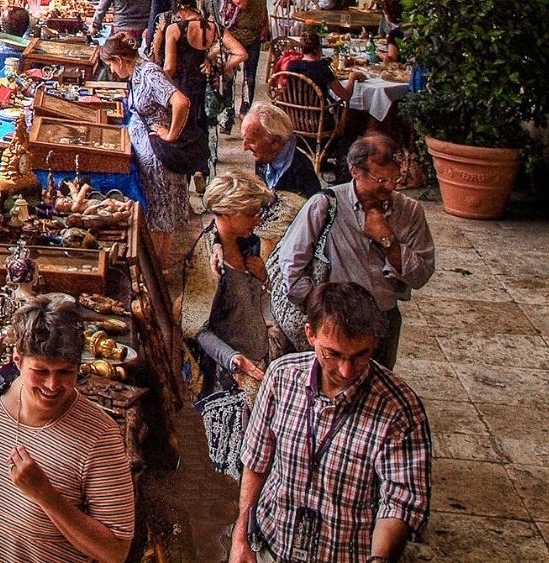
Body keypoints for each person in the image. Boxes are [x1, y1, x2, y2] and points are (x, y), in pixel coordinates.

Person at [232, 282, 432, 563]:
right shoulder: (281, 377)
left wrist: (379, 559)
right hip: (271, 546)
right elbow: (256, 461)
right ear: (311, 335)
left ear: (374, 342)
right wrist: (241, 537)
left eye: (360, 355)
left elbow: (400, 502)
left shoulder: (399, 409)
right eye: (333, 354)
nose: (346, 370)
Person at [0, 295, 135, 563]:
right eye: (41, 371)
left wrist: (44, 494)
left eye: (64, 372)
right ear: (18, 360)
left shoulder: (99, 437)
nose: (52, 385)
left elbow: (115, 551)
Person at [182, 169, 305, 476]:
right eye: (251, 213)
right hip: (226, 377)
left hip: (253, 365)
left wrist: (263, 281)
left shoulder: (246, 245)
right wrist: (235, 360)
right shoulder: (208, 257)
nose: (258, 220)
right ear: (230, 212)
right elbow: (195, 328)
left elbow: (253, 305)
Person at [276, 135, 434, 367]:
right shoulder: (325, 204)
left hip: (383, 319)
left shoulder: (410, 211)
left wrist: (388, 242)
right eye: (381, 179)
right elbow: (291, 265)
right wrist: (320, 309)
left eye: (395, 178)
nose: (390, 186)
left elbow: (422, 274)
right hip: (334, 322)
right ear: (355, 172)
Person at [126, 0, 210, 277]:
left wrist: (170, 134)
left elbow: (170, 72)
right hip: (200, 94)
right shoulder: (212, 26)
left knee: (164, 208)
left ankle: (160, 270)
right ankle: (200, 174)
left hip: (178, 104)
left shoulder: (175, 29)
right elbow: (237, 54)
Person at [241, 104, 323, 197]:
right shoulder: (265, 157)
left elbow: (313, 208)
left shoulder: (301, 172)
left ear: (275, 143)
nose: (245, 147)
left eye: (251, 141)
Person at [225, 0, 271, 104]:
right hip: (235, 32)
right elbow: (241, 2)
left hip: (254, 32)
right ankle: (228, 106)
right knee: (229, 74)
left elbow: (263, 6)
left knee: (250, 74)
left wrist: (265, 25)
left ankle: (246, 108)